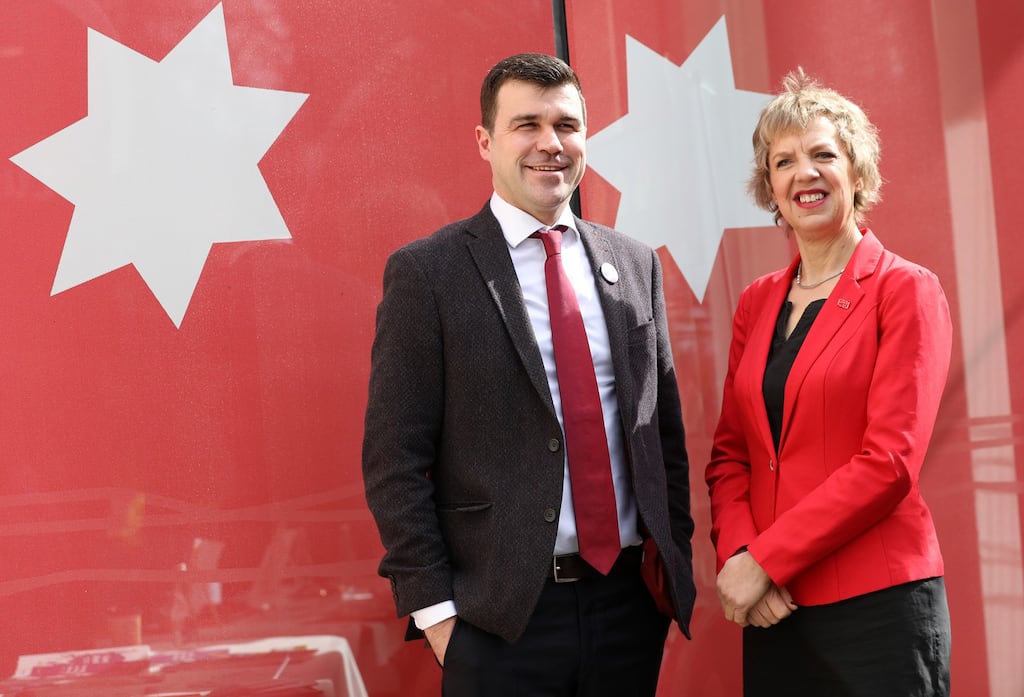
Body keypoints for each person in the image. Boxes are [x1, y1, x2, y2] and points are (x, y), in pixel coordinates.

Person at [362, 53, 695, 696]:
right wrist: (437, 616)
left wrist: (669, 559)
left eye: (567, 125)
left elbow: (663, 434)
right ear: (486, 141)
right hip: (500, 623)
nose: (551, 143)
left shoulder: (634, 264)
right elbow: (393, 460)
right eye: (527, 125)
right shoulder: (429, 274)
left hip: (628, 608)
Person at [705, 68, 952, 696]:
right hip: (774, 610)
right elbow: (732, 453)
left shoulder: (904, 289)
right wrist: (739, 558)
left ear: (857, 172)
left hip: (878, 608)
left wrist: (764, 560)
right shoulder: (757, 302)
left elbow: (889, 462)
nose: (803, 173)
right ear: (770, 189)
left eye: (823, 155)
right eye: (783, 161)